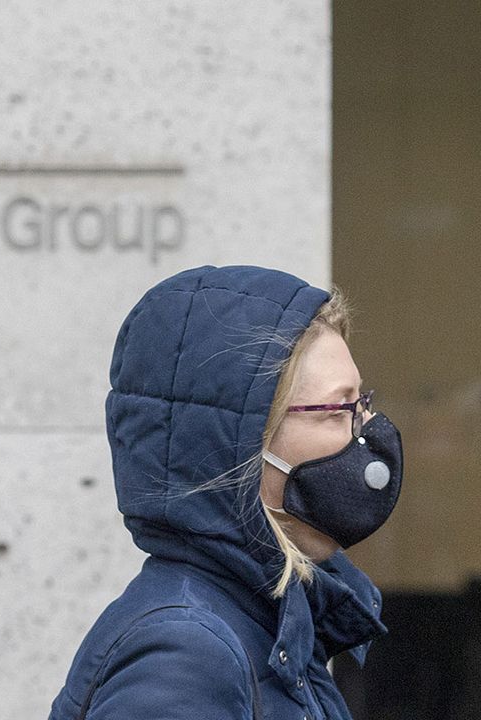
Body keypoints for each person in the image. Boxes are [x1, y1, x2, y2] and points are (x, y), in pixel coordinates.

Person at [46, 265, 402, 720]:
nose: (367, 432)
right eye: (338, 410)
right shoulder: (186, 656)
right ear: (242, 440)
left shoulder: (273, 626)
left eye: (362, 405)